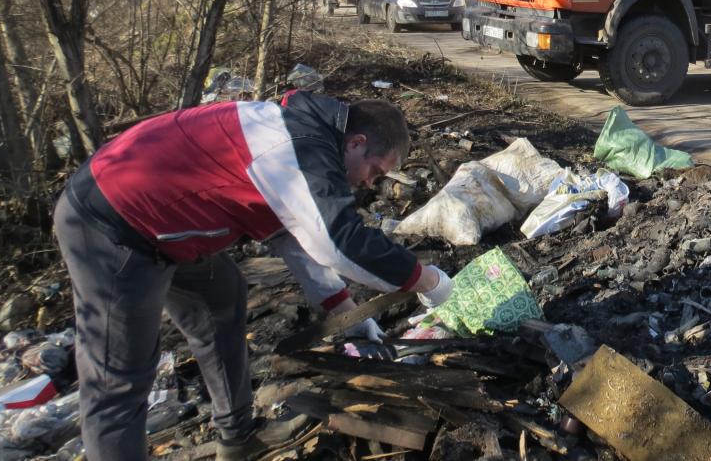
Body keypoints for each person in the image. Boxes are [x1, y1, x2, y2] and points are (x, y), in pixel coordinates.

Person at [53, 91, 453, 461]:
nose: (370, 183)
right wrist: (428, 281)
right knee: (118, 380)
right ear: (357, 143)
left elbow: (296, 240)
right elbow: (338, 242)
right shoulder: (294, 148)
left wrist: (347, 315)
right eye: (375, 171)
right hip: (110, 223)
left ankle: (238, 436)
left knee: (223, 299)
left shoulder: (307, 144)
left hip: (169, 221)